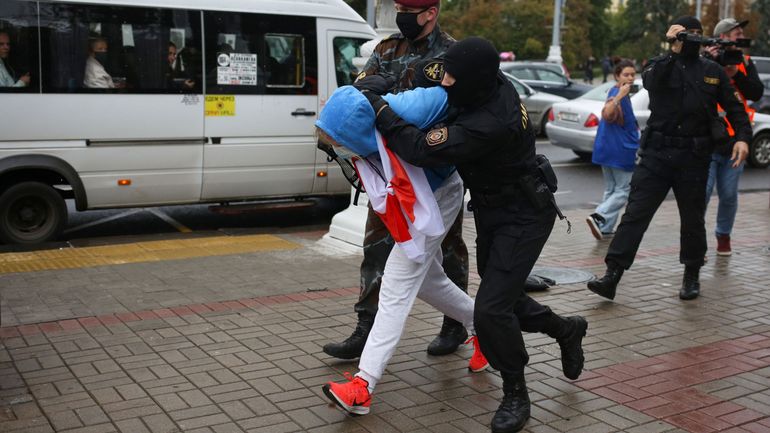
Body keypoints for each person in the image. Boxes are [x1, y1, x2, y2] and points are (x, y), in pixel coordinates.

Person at [361, 37, 588, 433]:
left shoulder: (490, 122)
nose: (445, 80)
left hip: (523, 215)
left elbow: (418, 148)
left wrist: (379, 108)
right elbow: (431, 81)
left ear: (474, 80)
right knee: (506, 299)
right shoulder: (477, 78)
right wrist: (390, 88)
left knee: (490, 309)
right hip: (492, 210)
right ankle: (565, 329)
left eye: (452, 76)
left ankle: (516, 392)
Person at [319, 81, 488, 416]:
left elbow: (452, 97)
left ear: (355, 129)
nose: (337, 148)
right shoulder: (369, 126)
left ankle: (363, 386)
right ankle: (484, 327)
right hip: (423, 197)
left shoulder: (412, 106)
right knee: (426, 282)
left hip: (440, 195)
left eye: (338, 140)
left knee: (396, 285)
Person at [322, 0, 472, 361]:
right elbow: (359, 93)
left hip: (435, 169)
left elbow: (460, 107)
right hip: (388, 167)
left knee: (448, 248)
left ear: (430, 12)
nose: (401, 13)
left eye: (408, 8)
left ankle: (455, 325)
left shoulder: (450, 53)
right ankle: (366, 325)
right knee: (375, 241)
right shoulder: (387, 48)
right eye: (399, 6)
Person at [587, 16, 751, 302]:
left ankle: (691, 273)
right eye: (686, 34)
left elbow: (735, 108)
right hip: (657, 155)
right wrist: (672, 50)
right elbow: (650, 81)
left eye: (697, 34)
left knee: (692, 220)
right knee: (635, 214)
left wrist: (742, 138)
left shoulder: (712, 70)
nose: (692, 39)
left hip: (694, 156)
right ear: (675, 36)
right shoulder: (659, 64)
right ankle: (612, 275)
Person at [702, 18, 763, 256]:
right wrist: (709, 59)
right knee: (702, 194)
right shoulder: (705, 59)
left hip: (735, 141)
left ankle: (723, 235)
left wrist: (736, 73)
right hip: (707, 139)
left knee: (728, 195)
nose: (740, 35)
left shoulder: (745, 62)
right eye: (736, 32)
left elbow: (756, 93)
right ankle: (696, 238)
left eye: (741, 32)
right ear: (722, 37)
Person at [586, 60, 639, 240]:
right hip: (619, 150)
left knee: (611, 190)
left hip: (606, 149)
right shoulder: (618, 94)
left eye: (633, 74)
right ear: (617, 76)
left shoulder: (616, 91)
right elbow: (607, 114)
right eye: (626, 74)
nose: (631, 78)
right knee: (623, 190)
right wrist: (620, 96)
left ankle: (605, 228)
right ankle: (599, 215)